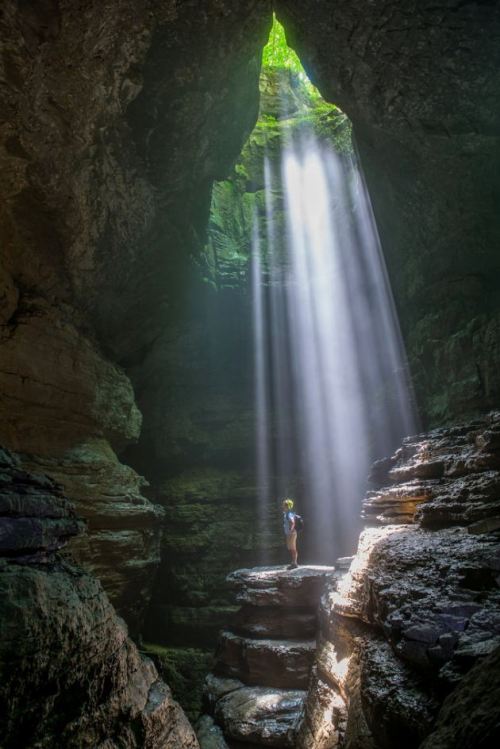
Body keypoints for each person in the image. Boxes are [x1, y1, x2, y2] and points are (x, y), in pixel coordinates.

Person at [282, 498, 298, 569]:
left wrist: (291, 530)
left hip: (292, 533)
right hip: (289, 533)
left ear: (287, 506)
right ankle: (293, 562)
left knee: (293, 548)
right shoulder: (286, 513)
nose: (282, 506)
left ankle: (294, 563)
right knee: (291, 548)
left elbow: (292, 522)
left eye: (284, 505)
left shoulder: (289, 514)